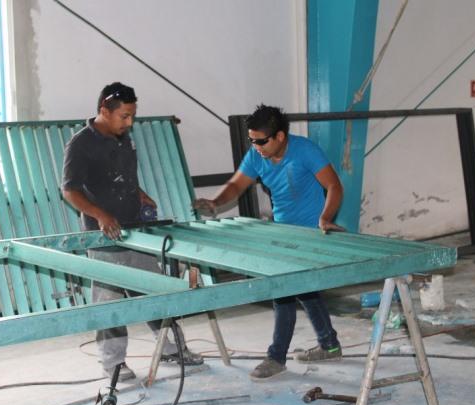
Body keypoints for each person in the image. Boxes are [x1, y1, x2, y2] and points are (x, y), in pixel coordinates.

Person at [62, 82, 203, 381]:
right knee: (110, 303)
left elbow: (122, 177)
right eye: (124, 116)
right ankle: (114, 363)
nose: (129, 123)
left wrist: (140, 194)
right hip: (105, 237)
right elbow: (69, 190)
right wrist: (100, 215)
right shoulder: (81, 144)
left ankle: (171, 349)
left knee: (154, 290)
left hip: (136, 231)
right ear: (104, 111)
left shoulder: (123, 139)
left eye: (132, 116)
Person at [193, 104, 344, 381]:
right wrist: (215, 202)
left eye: (261, 141)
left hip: (311, 230)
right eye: (252, 140)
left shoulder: (306, 151)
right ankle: (329, 344)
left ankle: (276, 357)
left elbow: (334, 186)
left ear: (280, 137)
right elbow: (237, 185)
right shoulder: (257, 155)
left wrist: (326, 217)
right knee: (306, 290)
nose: (256, 146)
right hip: (282, 231)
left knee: (284, 291)